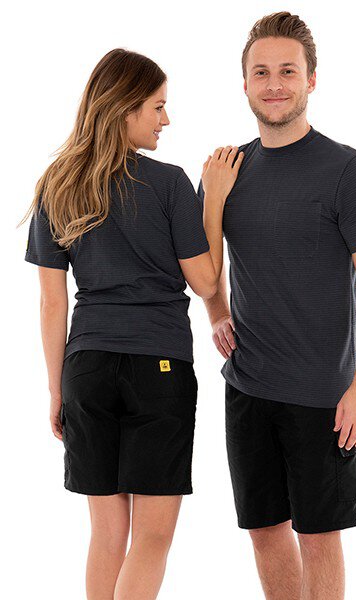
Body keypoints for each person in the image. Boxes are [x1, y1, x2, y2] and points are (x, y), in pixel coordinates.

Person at [21, 48, 242, 600]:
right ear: (124, 107)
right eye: (157, 107)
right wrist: (213, 199)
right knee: (152, 537)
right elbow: (206, 283)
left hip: (86, 369)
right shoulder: (167, 184)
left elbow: (52, 304)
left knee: (106, 535)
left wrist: (56, 389)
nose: (166, 119)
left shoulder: (57, 184)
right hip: (158, 368)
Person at [198, 12, 356, 600]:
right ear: (244, 83)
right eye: (261, 72)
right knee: (263, 531)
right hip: (248, 386)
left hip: (323, 394)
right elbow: (204, 265)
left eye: (288, 71)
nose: (274, 84)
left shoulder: (349, 171)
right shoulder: (226, 170)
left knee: (318, 536)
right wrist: (217, 313)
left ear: (311, 79)